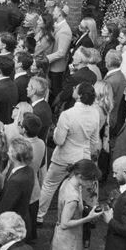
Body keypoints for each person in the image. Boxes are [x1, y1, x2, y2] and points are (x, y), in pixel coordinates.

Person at [38, 82, 100, 224]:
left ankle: (39, 215)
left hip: (64, 156)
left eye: (75, 88)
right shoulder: (95, 113)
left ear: (79, 95)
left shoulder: (67, 114)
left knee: (49, 185)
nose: (73, 88)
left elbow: (59, 141)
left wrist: (54, 132)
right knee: (78, 188)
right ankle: (73, 216)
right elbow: (94, 140)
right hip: (83, 156)